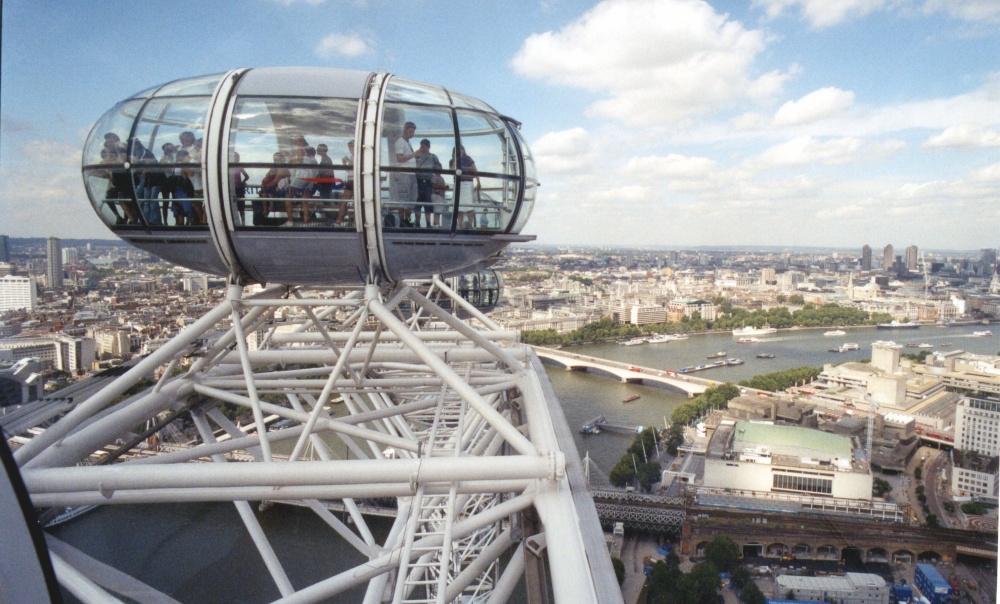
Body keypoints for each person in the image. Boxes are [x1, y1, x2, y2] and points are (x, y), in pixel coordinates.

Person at [392, 122, 422, 226]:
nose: (412, 134)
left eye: (413, 131)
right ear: (405, 130)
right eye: (410, 131)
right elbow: (399, 158)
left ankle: (407, 219)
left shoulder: (407, 143)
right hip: (404, 174)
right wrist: (414, 154)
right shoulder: (400, 142)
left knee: (411, 198)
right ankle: (402, 221)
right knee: (404, 198)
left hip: (411, 174)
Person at [131, 139, 161, 225]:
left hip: (153, 178)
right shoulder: (136, 154)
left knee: (151, 200)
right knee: (146, 199)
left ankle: (154, 220)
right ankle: (146, 219)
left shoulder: (144, 152)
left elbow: (151, 162)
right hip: (146, 179)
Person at [450, 146, 479, 229]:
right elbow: (451, 170)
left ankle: (470, 224)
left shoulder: (468, 159)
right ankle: (460, 225)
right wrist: (456, 160)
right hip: (458, 184)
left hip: (468, 183)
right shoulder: (452, 161)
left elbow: (474, 169)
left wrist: (478, 182)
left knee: (470, 205)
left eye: (461, 150)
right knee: (458, 206)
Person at [159, 143, 177, 225]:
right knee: (165, 201)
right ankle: (165, 221)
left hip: (174, 181)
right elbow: (162, 169)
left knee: (176, 200)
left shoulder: (175, 157)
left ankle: (177, 220)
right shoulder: (163, 159)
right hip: (165, 181)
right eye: (166, 150)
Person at [338, 140, 355, 226]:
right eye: (349, 147)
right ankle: (338, 221)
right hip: (350, 180)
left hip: (357, 182)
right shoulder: (352, 157)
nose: (350, 149)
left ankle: (355, 222)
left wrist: (348, 160)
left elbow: (359, 165)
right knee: (344, 201)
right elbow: (349, 170)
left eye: (352, 146)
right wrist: (344, 163)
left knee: (357, 202)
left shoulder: (360, 156)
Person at [230, 152, 249, 225]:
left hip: (239, 188)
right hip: (232, 188)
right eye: (236, 157)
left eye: (238, 157)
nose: (237, 159)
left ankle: (243, 223)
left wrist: (243, 182)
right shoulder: (229, 166)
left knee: (241, 206)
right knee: (233, 206)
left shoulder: (239, 167)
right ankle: (235, 223)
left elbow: (247, 176)